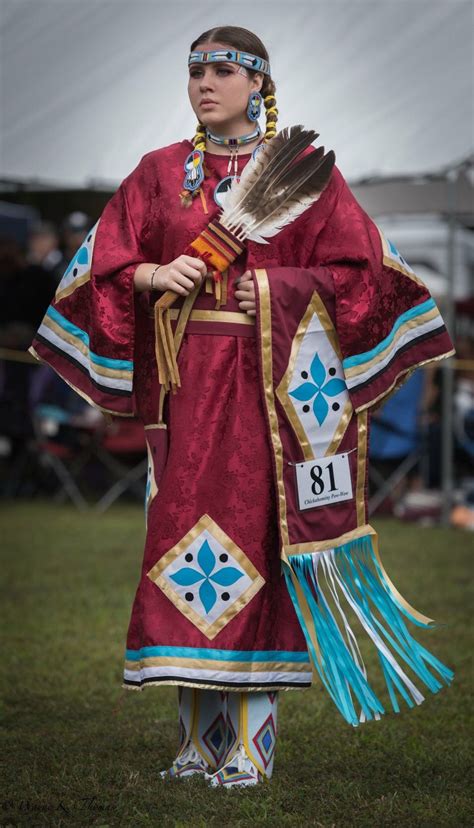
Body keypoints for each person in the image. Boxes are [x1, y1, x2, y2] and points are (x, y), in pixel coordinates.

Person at [28, 26, 455, 788]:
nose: (204, 83)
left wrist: (277, 288)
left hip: (269, 398)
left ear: (258, 82)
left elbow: (363, 272)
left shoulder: (304, 178)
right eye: (194, 70)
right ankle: (195, 742)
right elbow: (99, 265)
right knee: (185, 553)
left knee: (252, 549)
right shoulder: (159, 175)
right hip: (185, 390)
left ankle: (249, 747)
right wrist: (154, 274)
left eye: (223, 70)